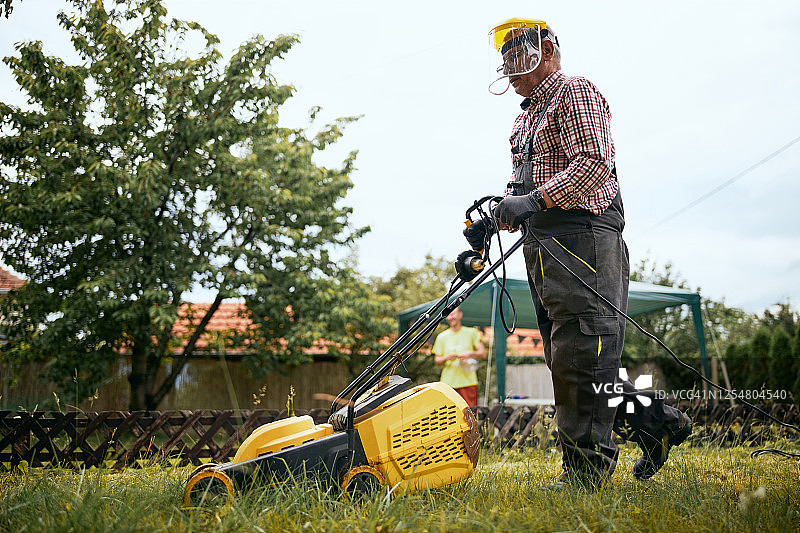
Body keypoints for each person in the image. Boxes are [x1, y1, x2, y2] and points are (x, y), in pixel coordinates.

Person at [479, 19, 692, 489]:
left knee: (583, 351)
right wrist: (497, 217)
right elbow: (522, 188)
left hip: (583, 238)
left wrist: (533, 201)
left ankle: (585, 471)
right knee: (570, 358)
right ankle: (658, 422)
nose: (511, 71)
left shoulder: (574, 91)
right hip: (543, 243)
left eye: (519, 58)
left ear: (548, 51)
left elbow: (595, 165)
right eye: (505, 62)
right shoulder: (524, 118)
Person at [431, 307, 487, 407]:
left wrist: (470, 354)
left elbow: (483, 353)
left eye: (453, 314)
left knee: (469, 413)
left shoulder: (471, 332)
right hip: (448, 384)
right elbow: (437, 360)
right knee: (448, 414)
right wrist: (446, 358)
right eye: (448, 315)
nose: (450, 317)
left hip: (468, 382)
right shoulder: (442, 337)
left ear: (460, 315)